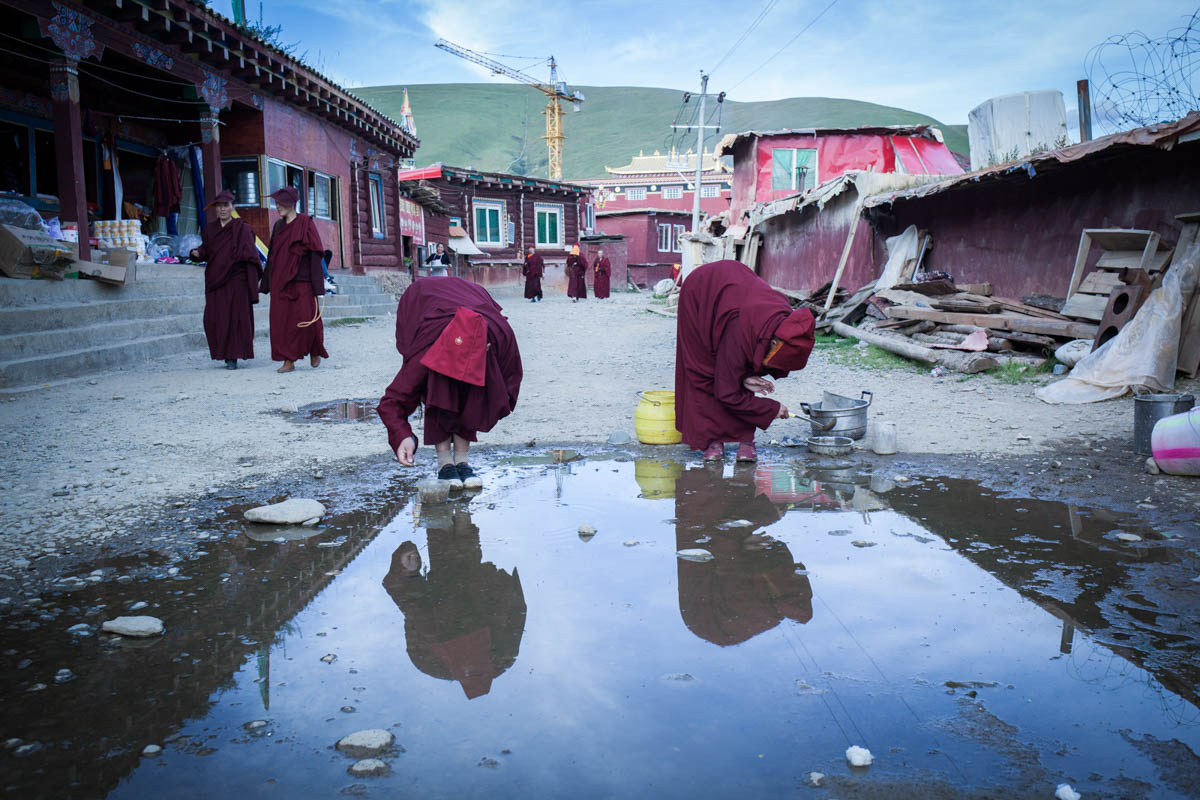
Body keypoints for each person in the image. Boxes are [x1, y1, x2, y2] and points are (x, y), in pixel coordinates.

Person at [378, 277, 523, 490]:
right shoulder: (426, 354)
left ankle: (462, 461)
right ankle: (444, 462)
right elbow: (392, 401)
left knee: (473, 389)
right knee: (439, 389)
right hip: (423, 301)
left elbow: (511, 377)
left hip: (475, 305)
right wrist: (403, 437)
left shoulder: (497, 340)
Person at [674, 259, 816, 463]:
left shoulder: (781, 320)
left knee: (745, 367)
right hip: (701, 293)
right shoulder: (739, 332)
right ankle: (713, 439)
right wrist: (771, 408)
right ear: (774, 340)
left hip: (735, 295)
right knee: (704, 372)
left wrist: (746, 377)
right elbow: (727, 392)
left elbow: (746, 365)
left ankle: (745, 438)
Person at [381, 506, 526, 699]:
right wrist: (407, 572)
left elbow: (412, 607)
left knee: (453, 545)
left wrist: (406, 571)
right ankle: (451, 507)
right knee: (454, 547)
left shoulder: (429, 654)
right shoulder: (500, 651)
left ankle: (450, 506)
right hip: (461, 590)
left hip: (455, 591)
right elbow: (513, 605)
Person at [674, 462, 813, 647]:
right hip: (716, 580)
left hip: (702, 529)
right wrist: (743, 545)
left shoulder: (749, 604)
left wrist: (765, 514)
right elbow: (731, 553)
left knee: (707, 465)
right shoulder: (766, 605)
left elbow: (716, 538)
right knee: (739, 474)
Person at [189, 189, 261, 370]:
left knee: (235, 318)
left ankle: (233, 356)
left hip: (237, 280)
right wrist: (197, 253)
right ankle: (222, 352)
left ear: (232, 207)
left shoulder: (243, 228)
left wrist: (251, 280)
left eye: (226, 206)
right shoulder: (210, 229)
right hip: (215, 280)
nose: (222, 210)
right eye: (219, 206)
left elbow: (251, 255)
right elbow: (207, 250)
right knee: (215, 318)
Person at [260, 186, 329, 373]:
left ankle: (314, 350)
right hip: (281, 282)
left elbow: (315, 257)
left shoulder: (306, 223)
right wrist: (266, 283)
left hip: (303, 282)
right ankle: (289, 360)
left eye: (281, 203)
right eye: (276, 203)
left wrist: (319, 289)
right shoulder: (278, 226)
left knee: (308, 320)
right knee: (282, 322)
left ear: (292, 204)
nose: (278, 207)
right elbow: (273, 255)